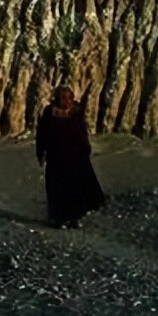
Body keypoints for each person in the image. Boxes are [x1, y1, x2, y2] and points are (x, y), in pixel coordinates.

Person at [35, 85, 106, 228]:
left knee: (75, 187)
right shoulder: (49, 114)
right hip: (56, 157)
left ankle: (74, 217)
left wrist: (86, 147)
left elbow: (81, 132)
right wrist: (41, 152)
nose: (65, 101)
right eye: (62, 98)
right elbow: (41, 135)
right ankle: (59, 218)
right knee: (57, 187)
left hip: (74, 156)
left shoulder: (75, 113)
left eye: (68, 98)